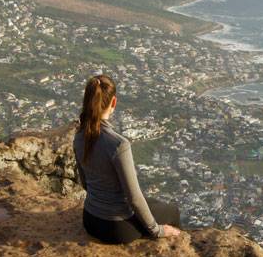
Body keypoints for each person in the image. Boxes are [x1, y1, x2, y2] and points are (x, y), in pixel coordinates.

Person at [73, 74, 182, 244]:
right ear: (113, 102)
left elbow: (85, 183)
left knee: (152, 202)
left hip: (90, 220)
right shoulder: (118, 144)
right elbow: (134, 198)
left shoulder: (79, 136)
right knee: (172, 211)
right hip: (117, 229)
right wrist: (158, 230)